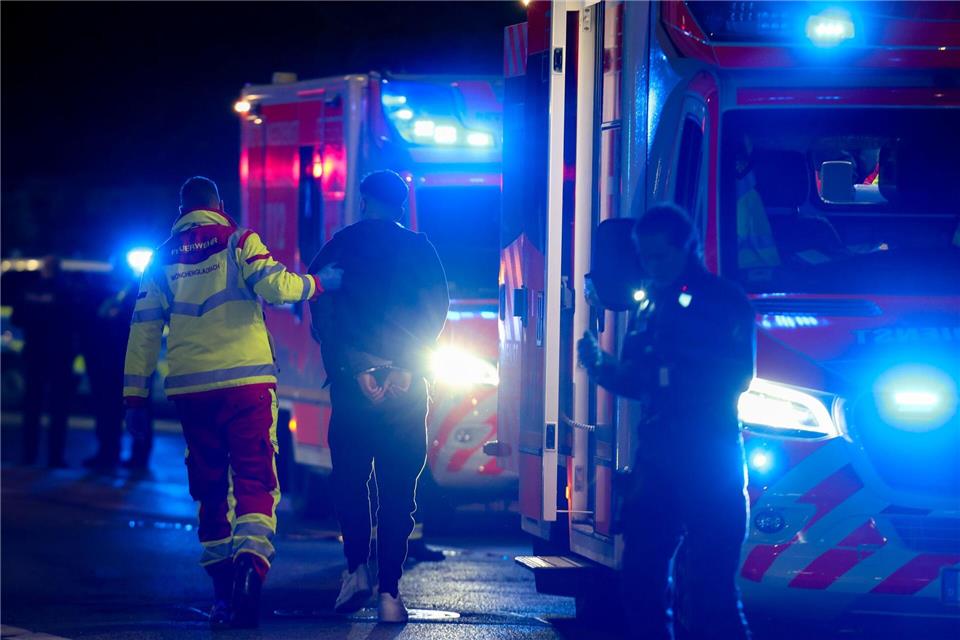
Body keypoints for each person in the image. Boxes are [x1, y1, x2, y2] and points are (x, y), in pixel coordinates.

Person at [123, 176, 343, 629]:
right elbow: (277, 288)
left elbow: (142, 333)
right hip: (247, 383)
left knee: (209, 486)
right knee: (255, 476)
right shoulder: (239, 241)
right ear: (219, 204)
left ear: (181, 211)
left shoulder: (160, 259)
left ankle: (222, 594)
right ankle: (251, 566)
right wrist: (319, 284)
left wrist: (135, 400)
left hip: (192, 391)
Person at [578, 204, 754, 640]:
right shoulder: (650, 306)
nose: (651, 266)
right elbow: (637, 380)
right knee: (640, 579)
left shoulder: (723, 301)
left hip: (708, 457)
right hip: (657, 460)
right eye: (645, 257)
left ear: (685, 248)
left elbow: (735, 375)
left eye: (659, 256)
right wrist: (601, 367)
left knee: (710, 591)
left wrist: (668, 374)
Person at [308, 170, 448, 623]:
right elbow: (436, 312)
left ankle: (356, 570)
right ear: (402, 206)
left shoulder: (341, 246)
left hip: (353, 388)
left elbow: (320, 305)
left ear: (365, 200)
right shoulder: (421, 249)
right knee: (398, 491)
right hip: (407, 390)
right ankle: (390, 593)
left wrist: (354, 369)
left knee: (350, 482)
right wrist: (407, 367)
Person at [12, 256, 76, 468]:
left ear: (43, 269)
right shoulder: (66, 290)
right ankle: (55, 458)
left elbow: (16, 318)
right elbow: (75, 320)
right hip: (59, 356)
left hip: (34, 354)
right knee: (58, 409)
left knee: (32, 407)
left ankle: (28, 456)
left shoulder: (30, 290)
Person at [83, 277, 150, 471]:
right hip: (110, 361)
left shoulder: (140, 288)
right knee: (108, 409)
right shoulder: (104, 288)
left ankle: (135, 455)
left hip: (131, 361)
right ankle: (108, 452)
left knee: (136, 408)